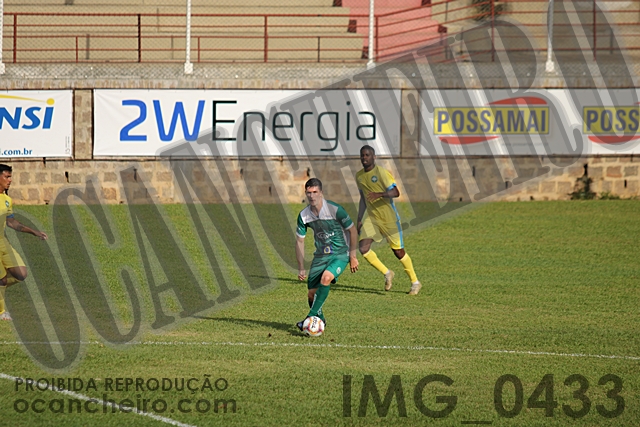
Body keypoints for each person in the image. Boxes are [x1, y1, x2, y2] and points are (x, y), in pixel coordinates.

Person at [356, 145, 422, 295]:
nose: (364, 158)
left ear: (374, 157)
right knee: (363, 248)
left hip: (389, 219)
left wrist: (379, 194)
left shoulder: (382, 173)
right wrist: (359, 218)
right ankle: (387, 273)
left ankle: (415, 282)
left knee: (398, 252)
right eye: (362, 155)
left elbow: (396, 192)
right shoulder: (359, 176)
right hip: (373, 218)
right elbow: (363, 198)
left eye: (367, 155)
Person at [295, 178, 358, 330]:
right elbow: (300, 241)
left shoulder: (335, 210)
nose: (312, 196)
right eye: (309, 193)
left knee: (326, 278)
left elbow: (352, 230)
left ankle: (310, 317)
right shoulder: (304, 216)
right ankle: (320, 319)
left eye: (315, 192)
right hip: (320, 256)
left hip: (340, 254)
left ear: (321, 193)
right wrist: (301, 266)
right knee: (311, 294)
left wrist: (353, 256)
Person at [0, 164, 48, 320]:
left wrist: (34, 232)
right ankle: (1, 312)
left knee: (20, 273)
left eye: (10, 177)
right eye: (7, 177)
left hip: (3, 242)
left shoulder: (7, 200)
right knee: (2, 279)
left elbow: (11, 222)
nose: (10, 180)